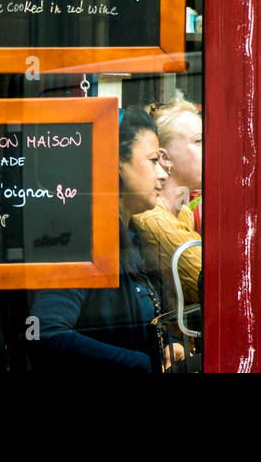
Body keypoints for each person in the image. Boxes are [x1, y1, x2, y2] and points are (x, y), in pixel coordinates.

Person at [30, 108, 178, 372]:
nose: (163, 175)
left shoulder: (128, 235)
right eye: (153, 160)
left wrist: (167, 344)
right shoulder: (81, 238)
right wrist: (145, 365)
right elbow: (47, 332)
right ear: (116, 164)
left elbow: (134, 325)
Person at [133, 94, 203, 315]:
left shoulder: (181, 211)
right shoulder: (152, 217)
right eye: (199, 141)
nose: (210, 149)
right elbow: (219, 289)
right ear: (163, 157)